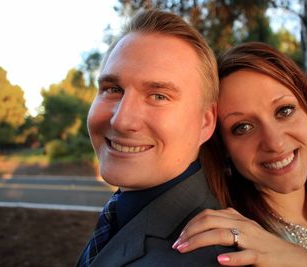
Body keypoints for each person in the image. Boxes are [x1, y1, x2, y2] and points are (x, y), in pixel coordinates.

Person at [172, 42, 307, 267]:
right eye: (242, 127)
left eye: (284, 111)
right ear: (224, 148)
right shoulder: (231, 237)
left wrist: (288, 255)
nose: (275, 142)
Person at [75, 9, 237, 267]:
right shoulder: (125, 210)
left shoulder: (204, 256)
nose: (121, 120)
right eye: (113, 89)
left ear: (205, 122)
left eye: (158, 96)